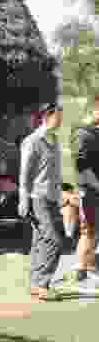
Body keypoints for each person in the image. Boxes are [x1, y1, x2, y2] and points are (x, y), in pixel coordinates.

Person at [19, 102, 65, 302]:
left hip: (52, 198)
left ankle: (36, 283)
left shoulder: (53, 139)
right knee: (53, 239)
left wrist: (62, 193)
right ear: (48, 116)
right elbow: (25, 175)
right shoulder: (33, 141)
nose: (61, 120)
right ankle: (41, 283)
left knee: (41, 240)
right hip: (38, 198)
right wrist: (23, 200)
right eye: (59, 116)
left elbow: (53, 172)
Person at [74, 95, 99, 292]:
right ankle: (81, 270)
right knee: (88, 230)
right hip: (90, 191)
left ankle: (88, 267)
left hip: (95, 189)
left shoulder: (95, 132)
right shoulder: (82, 133)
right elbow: (82, 167)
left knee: (93, 231)